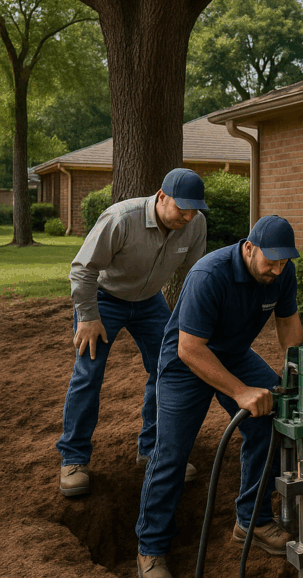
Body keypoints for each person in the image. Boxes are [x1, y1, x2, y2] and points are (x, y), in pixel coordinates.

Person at [135, 215, 302, 578]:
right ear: (249, 248)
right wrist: (240, 391)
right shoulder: (209, 274)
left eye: (283, 262)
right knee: (172, 452)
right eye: (270, 262)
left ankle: (252, 521)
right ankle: (151, 549)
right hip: (186, 360)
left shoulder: (282, 273)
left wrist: (298, 378)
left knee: (272, 422)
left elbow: (288, 324)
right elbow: (190, 349)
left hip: (235, 354)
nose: (277, 270)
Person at [59, 168, 208, 497]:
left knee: (168, 368)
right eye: (182, 208)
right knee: (89, 372)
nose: (188, 216)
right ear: (162, 196)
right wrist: (87, 317)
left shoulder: (195, 224)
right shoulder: (121, 219)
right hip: (104, 299)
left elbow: (193, 278)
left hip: (149, 302)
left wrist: (190, 322)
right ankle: (73, 458)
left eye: (194, 210)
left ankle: (153, 450)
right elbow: (83, 268)